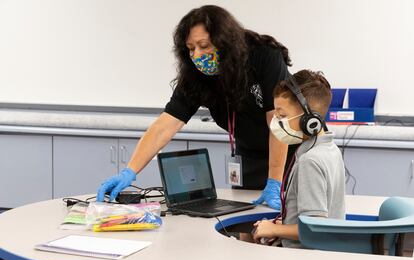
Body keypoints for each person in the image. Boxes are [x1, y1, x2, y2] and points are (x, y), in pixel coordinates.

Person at [97, 5, 297, 209]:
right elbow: (164, 126)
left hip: (290, 152)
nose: (198, 55)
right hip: (248, 155)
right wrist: (129, 171)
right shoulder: (195, 77)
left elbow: (278, 123)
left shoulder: (264, 55)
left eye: (204, 45)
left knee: (282, 224)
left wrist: (275, 182)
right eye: (191, 48)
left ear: (225, 42)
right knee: (245, 224)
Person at [251, 70, 345, 248]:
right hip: (322, 254)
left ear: (310, 120)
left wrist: (273, 230)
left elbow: (314, 228)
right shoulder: (330, 149)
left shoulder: (310, 161)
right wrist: (283, 226)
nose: (276, 122)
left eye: (283, 115)